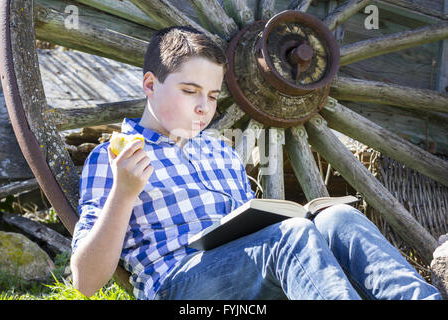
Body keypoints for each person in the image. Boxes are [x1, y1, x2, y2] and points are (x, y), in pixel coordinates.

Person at [69, 26, 441, 300]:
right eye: (189, 91)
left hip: (249, 273)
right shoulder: (115, 158)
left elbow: (252, 231)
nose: (203, 106)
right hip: (179, 287)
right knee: (289, 238)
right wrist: (123, 194)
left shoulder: (220, 152)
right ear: (150, 84)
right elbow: (85, 282)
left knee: (337, 219)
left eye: (213, 96)